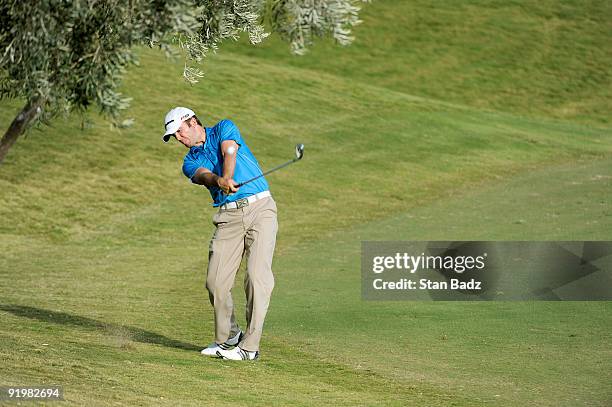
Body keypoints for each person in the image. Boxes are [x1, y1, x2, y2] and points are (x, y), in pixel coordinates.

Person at [162, 106, 278, 361]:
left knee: (257, 278)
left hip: (261, 209)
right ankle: (228, 339)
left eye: (180, 132)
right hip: (228, 218)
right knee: (215, 282)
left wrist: (227, 176)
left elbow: (229, 151)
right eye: (175, 136)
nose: (179, 139)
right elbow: (203, 176)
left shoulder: (224, 127)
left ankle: (249, 348)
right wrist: (219, 181)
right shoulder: (190, 161)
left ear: (192, 122)